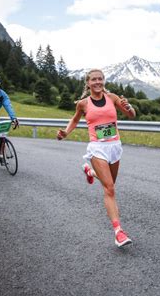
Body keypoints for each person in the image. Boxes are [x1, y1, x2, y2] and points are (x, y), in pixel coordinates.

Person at [57, 69, 136, 248]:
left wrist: (129, 106)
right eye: (94, 79)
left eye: (100, 79)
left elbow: (132, 115)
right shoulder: (83, 104)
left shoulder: (113, 98)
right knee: (109, 189)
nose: (98, 82)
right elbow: (75, 120)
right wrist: (65, 132)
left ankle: (90, 171)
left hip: (114, 146)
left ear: (104, 81)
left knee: (110, 183)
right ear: (88, 83)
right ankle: (119, 232)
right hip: (97, 148)